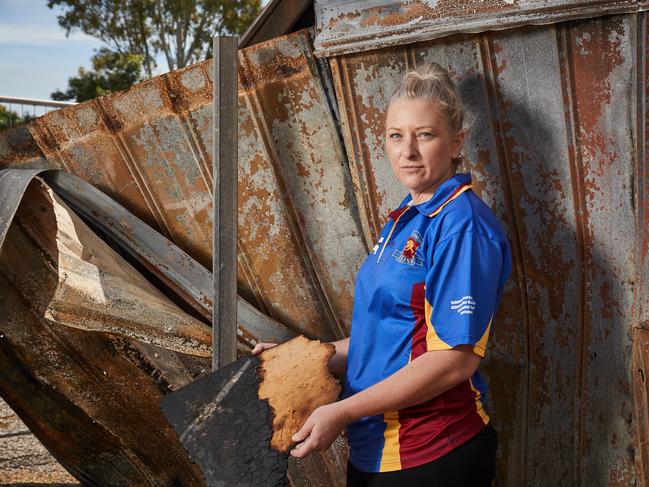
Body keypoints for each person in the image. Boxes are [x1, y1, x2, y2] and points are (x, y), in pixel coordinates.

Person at [252, 62, 512, 487]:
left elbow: (453, 360)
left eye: (424, 135)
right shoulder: (407, 218)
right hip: (376, 449)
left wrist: (341, 410)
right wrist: (300, 358)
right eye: (396, 136)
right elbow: (389, 339)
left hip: (432, 452)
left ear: (456, 142)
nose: (407, 151)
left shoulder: (461, 225)